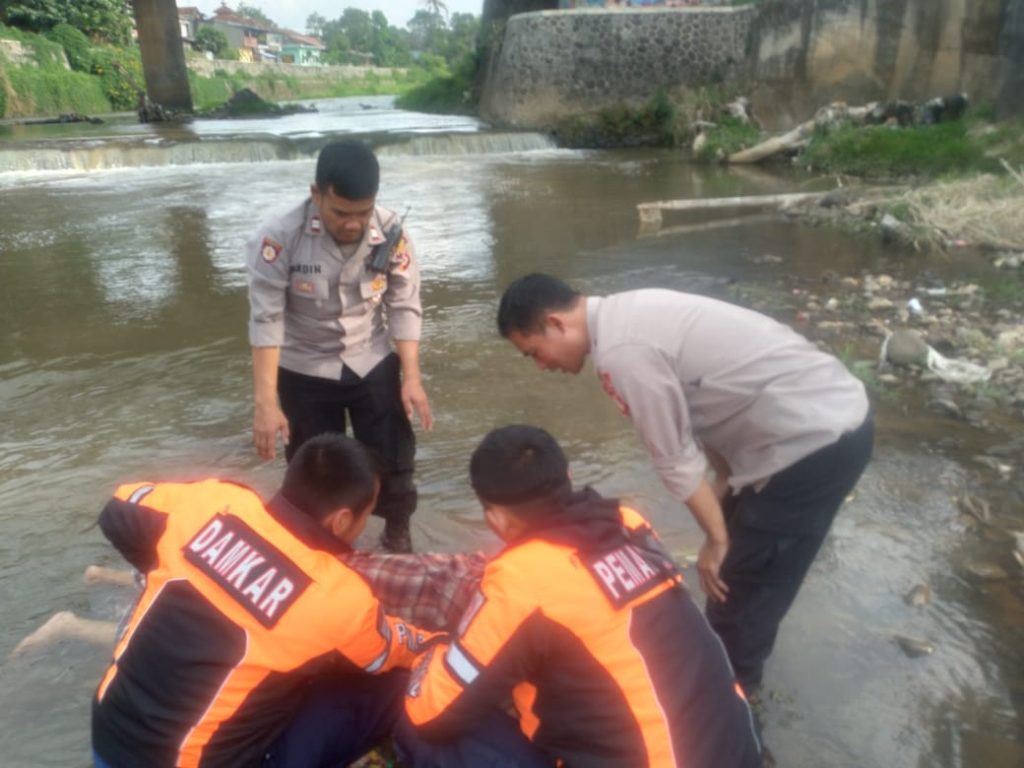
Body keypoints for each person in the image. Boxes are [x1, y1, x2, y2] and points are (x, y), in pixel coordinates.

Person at [495, 274, 874, 696]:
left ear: (555, 323)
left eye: (534, 353)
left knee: (743, 599)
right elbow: (705, 408)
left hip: (813, 441)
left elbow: (674, 457)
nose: (542, 365)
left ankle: (736, 713)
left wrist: (715, 539)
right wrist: (725, 487)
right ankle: (724, 682)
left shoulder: (623, 356)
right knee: (733, 577)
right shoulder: (627, 312)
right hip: (816, 413)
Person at [398, 425, 761, 767]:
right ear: (568, 478)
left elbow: (432, 714)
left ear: (495, 518)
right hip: (739, 749)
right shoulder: (629, 523)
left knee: (417, 728)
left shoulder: (523, 580)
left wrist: (433, 650)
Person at [91, 433, 442, 768]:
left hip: (108, 735)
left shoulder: (215, 502)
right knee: (391, 683)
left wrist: (165, 564)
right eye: (368, 515)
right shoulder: (338, 595)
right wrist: (445, 641)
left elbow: (120, 506)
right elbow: (395, 650)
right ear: (343, 520)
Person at [247, 139, 432, 553]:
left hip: (372, 359)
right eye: (341, 213)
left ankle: (396, 534)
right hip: (305, 367)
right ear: (317, 194)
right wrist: (265, 402)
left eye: (362, 213)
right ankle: (318, 549)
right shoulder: (279, 238)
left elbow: (404, 305)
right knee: (315, 468)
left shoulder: (391, 233)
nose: (353, 224)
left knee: (394, 457)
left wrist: (412, 378)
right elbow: (267, 320)